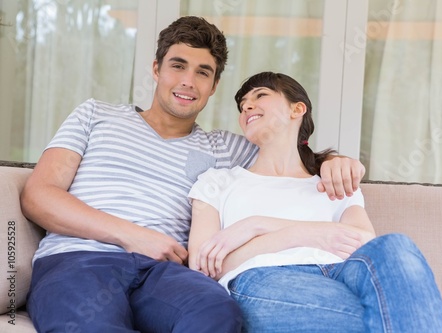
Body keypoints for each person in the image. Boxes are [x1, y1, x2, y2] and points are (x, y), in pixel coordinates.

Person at [20, 17, 365, 333]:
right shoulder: (96, 115)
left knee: (216, 313)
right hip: (80, 260)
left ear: (213, 86)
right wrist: (133, 236)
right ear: (156, 69)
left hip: (165, 274)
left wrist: (336, 162)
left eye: (203, 72)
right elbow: (39, 195)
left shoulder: (225, 149)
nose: (188, 80)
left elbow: (290, 157)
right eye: (178, 65)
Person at [188, 72, 442, 332]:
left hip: (345, 273)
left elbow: (364, 245)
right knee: (391, 316)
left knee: (396, 245)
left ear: (297, 109)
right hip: (267, 277)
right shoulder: (218, 182)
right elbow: (204, 267)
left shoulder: (334, 183)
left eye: (261, 95)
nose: (247, 105)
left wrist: (256, 226)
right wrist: (304, 233)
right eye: (242, 104)